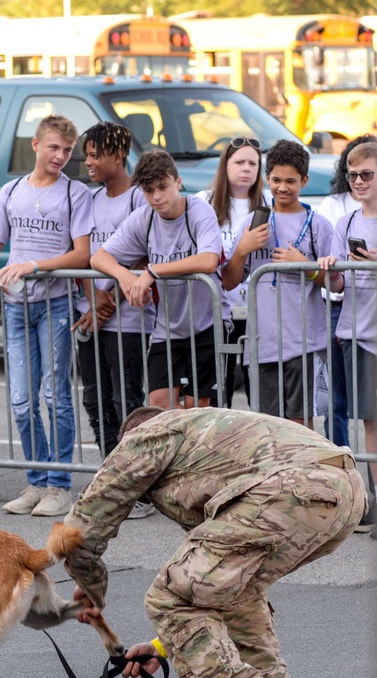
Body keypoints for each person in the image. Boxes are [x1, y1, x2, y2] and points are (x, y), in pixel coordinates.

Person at [58, 405, 367, 678]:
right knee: (238, 591)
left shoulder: (145, 436)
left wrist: (90, 586)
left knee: (170, 598)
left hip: (289, 490)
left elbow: (86, 523)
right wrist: (162, 647)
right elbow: (214, 591)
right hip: (346, 494)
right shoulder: (210, 434)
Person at [0, 114, 93, 517]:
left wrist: (32, 265)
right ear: (35, 145)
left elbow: (82, 254)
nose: (61, 156)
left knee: (55, 395)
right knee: (21, 399)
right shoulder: (12, 190)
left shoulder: (75, 193)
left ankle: (59, 484)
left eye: (67, 150)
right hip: (15, 306)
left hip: (55, 305)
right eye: (53, 148)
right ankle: (37, 481)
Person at [93, 150, 223, 411]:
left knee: (196, 408)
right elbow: (99, 257)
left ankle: (192, 453)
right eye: (149, 190)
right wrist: (125, 276)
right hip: (168, 328)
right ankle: (171, 453)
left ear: (178, 182)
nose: (157, 197)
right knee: (158, 405)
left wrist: (152, 271)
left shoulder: (199, 210)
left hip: (206, 324)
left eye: (163, 187)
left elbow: (209, 260)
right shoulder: (145, 217)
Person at [74, 122, 153, 518]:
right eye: (86, 153)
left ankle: (135, 486)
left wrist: (108, 303)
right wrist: (93, 299)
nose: (88, 161)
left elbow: (142, 254)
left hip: (129, 319)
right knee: (95, 398)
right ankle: (109, 476)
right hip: (91, 316)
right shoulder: (89, 199)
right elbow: (84, 254)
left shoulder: (139, 198)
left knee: (127, 400)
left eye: (95, 154)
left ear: (117, 156)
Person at [227, 140, 334, 427]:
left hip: (304, 343)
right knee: (267, 424)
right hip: (262, 342)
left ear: (304, 181)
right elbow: (228, 281)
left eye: (290, 181)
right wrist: (242, 249)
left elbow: (336, 285)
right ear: (267, 178)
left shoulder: (318, 225)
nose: (282, 188)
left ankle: (299, 474)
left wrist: (307, 267)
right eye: (276, 180)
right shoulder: (253, 222)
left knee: (300, 423)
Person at [318, 140, 377, 531]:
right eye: (353, 175)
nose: (358, 181)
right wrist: (329, 269)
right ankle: (375, 502)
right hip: (359, 332)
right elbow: (336, 286)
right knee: (371, 423)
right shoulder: (347, 223)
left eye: (367, 174)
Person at [195, 137, 269, 409]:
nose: (246, 168)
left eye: (253, 163)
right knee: (219, 390)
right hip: (217, 310)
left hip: (257, 312)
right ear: (225, 165)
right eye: (239, 162)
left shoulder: (270, 202)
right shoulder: (203, 202)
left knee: (257, 391)